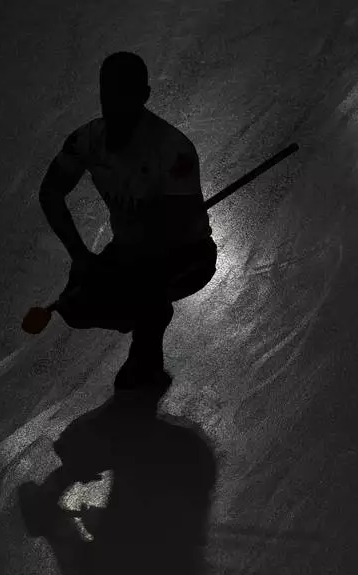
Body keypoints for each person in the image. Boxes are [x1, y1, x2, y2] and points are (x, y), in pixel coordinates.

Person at [38, 51, 219, 392]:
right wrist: (80, 255)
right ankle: (144, 310)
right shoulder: (86, 141)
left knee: (143, 281)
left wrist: (119, 269)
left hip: (187, 256)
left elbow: (174, 232)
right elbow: (50, 193)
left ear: (145, 97)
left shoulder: (172, 150)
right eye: (109, 96)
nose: (116, 107)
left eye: (126, 97)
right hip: (129, 251)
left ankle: (147, 345)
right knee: (76, 306)